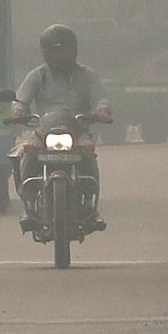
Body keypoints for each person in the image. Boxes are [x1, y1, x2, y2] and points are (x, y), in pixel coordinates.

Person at [10, 23, 112, 231]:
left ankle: (91, 206)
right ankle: (29, 204)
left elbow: (101, 97)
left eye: (63, 50)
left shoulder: (88, 75)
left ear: (73, 50)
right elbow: (20, 99)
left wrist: (102, 110)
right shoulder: (37, 76)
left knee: (88, 153)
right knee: (27, 153)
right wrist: (18, 111)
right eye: (54, 51)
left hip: (77, 131)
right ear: (45, 53)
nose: (59, 56)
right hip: (43, 132)